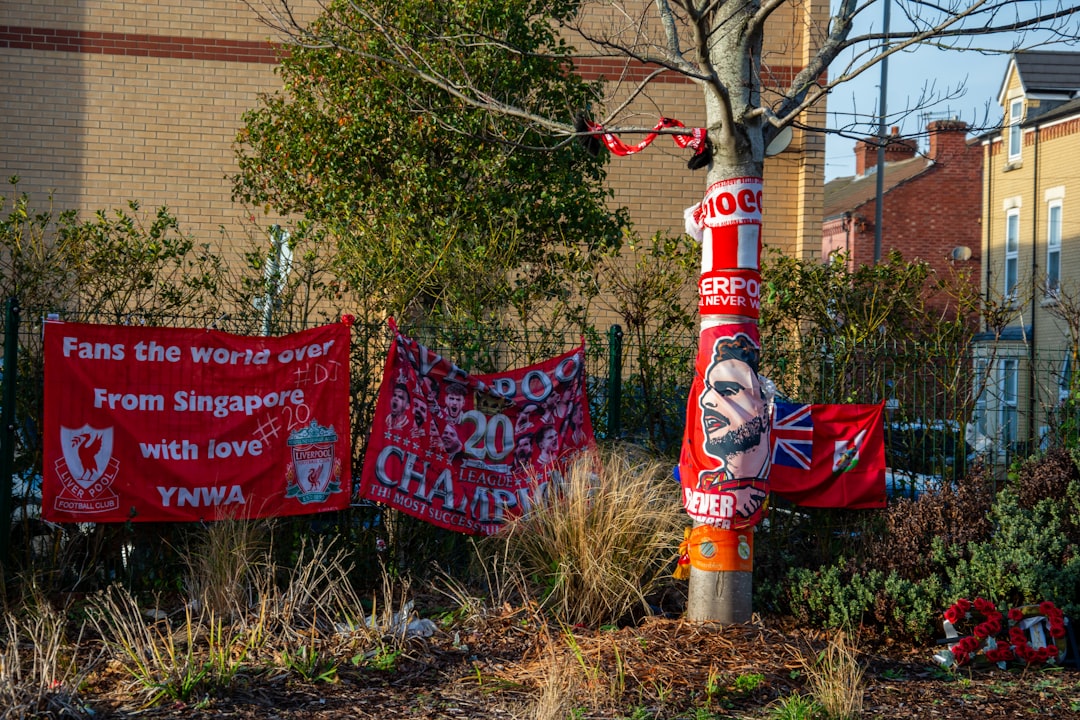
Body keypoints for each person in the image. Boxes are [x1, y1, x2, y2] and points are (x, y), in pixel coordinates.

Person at [694, 331, 769, 519]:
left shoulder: (776, 472)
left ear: (762, 414)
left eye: (726, 391)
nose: (706, 401)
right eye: (709, 390)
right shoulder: (708, 480)